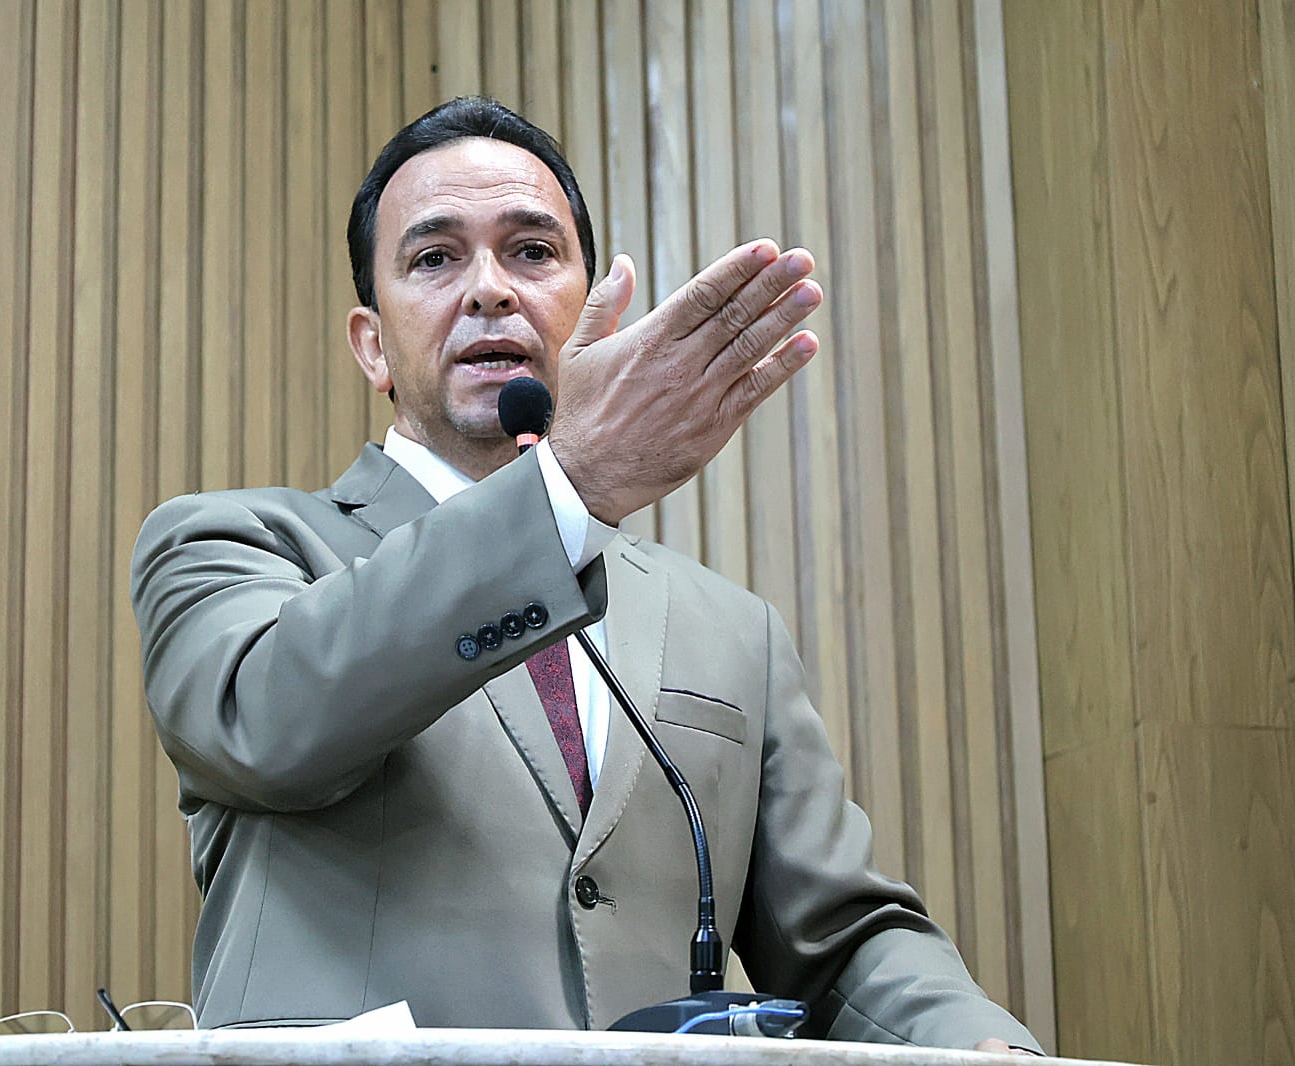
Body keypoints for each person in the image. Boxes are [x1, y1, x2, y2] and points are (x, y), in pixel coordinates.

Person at [130, 97, 1040, 1054]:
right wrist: (564, 488)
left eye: (532, 252)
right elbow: (268, 723)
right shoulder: (233, 543)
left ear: (591, 311)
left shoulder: (732, 631)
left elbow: (837, 943)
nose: (490, 291)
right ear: (372, 344)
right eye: (434, 259)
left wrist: (982, 1043)